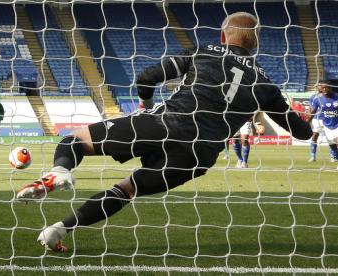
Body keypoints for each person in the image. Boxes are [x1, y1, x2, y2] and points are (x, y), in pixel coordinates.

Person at [16, 12, 312, 252]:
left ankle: (58, 173)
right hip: (198, 155)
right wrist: (306, 117)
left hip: (165, 124)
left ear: (223, 36)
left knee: (76, 142)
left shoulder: (204, 50)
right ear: (255, 44)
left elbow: (147, 77)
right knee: (126, 190)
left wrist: (146, 105)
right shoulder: (266, 85)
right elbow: (299, 132)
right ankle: (58, 230)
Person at [309, 80, 338, 166]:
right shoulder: (315, 98)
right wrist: (306, 121)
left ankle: (333, 157)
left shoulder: (336, 96)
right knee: (330, 141)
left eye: (326, 87)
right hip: (323, 121)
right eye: (322, 87)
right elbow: (312, 111)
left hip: (336, 122)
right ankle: (313, 156)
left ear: (330, 87)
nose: (324, 89)